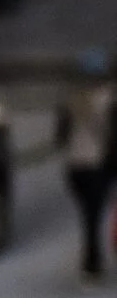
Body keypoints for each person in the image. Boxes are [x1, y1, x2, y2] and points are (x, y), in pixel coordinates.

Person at [56, 49, 116, 284]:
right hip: (98, 164)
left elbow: (60, 136)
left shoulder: (70, 102)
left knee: (88, 215)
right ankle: (92, 263)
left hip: (75, 167)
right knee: (94, 215)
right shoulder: (110, 100)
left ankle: (92, 262)